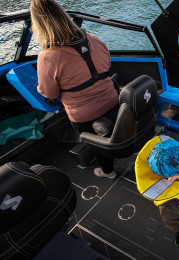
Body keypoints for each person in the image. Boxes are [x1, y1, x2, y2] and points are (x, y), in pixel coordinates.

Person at [31, 0, 119, 178]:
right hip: (112, 100)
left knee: (95, 142)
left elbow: (50, 93)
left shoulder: (48, 57)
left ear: (39, 25)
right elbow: (107, 64)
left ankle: (108, 172)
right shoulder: (93, 39)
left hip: (84, 115)